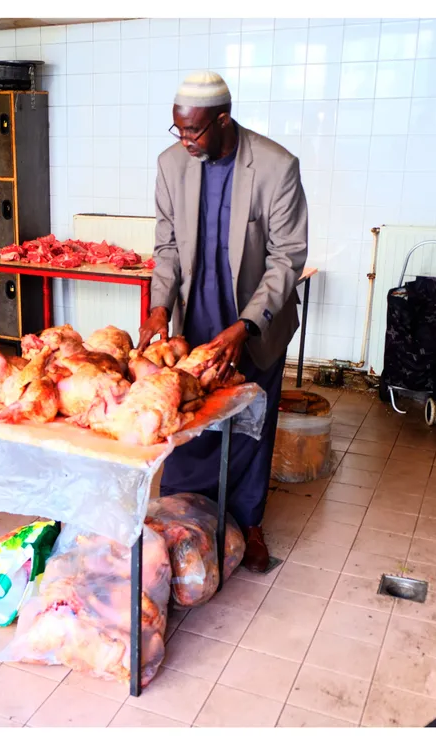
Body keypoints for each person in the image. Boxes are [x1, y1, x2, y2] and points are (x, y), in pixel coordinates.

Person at [138, 71, 308, 573]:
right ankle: (183, 517)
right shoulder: (171, 165)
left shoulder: (276, 166)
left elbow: (287, 258)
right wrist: (159, 306)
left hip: (253, 324)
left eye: (194, 132)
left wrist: (246, 326)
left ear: (223, 120)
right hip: (196, 316)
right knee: (190, 421)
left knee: (250, 424)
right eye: (179, 131)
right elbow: (167, 247)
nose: (185, 141)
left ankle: (249, 522)